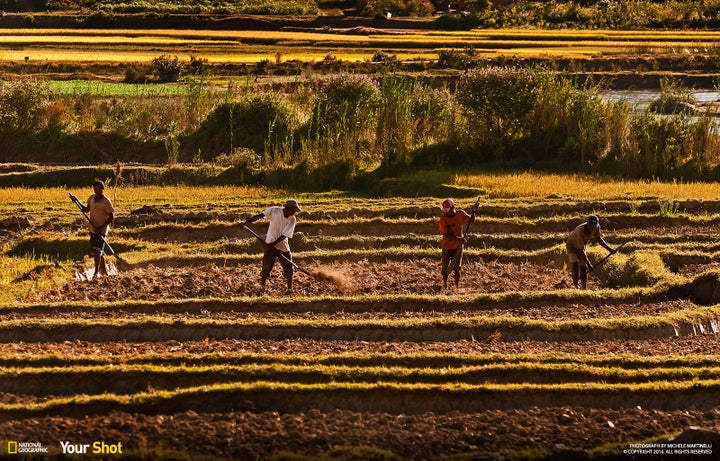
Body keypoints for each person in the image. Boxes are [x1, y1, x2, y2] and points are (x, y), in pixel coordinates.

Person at [242, 199, 301, 294]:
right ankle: (262, 288)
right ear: (288, 208)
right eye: (293, 210)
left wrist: (273, 244)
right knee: (266, 266)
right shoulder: (274, 211)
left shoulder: (292, 219)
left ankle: (290, 289)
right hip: (269, 243)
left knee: (289, 267)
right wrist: (245, 223)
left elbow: (285, 235)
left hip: (282, 246)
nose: (294, 212)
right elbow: (259, 216)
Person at [566, 214, 616, 289]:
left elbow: (599, 239)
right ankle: (575, 285)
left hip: (581, 245)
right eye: (590, 226)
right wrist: (589, 264)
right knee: (575, 264)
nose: (592, 229)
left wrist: (610, 249)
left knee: (583, 267)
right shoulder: (580, 231)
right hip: (571, 245)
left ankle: (584, 287)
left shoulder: (596, 227)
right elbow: (581, 250)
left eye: (593, 227)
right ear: (587, 224)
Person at [80, 179, 114, 280]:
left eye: (99, 190)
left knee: (97, 251)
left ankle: (95, 273)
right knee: (99, 252)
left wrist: (102, 227)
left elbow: (111, 216)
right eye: (95, 190)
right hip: (93, 229)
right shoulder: (91, 198)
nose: (97, 192)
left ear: (103, 190)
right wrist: (76, 201)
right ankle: (104, 272)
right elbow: (86, 209)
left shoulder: (106, 201)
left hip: (102, 230)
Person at [439, 198, 476, 290]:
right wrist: (459, 239)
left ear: (453, 207)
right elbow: (445, 234)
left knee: (457, 268)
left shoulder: (460, 214)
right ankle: (445, 285)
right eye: (445, 211)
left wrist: (473, 211)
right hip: (447, 246)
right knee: (444, 268)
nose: (446, 212)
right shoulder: (443, 218)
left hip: (457, 246)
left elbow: (471, 220)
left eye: (448, 210)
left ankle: (456, 286)